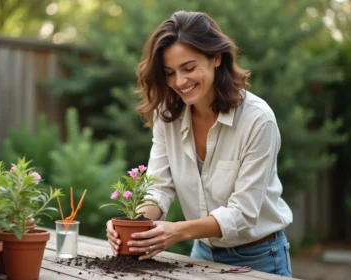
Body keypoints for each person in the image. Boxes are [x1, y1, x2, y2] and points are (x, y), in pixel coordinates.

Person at [106, 10, 293, 277]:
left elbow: (243, 213)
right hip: (202, 254)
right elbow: (158, 188)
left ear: (216, 58)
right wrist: (131, 225)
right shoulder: (167, 116)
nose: (179, 82)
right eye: (169, 73)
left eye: (189, 68)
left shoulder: (258, 120)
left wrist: (176, 231)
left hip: (260, 257)